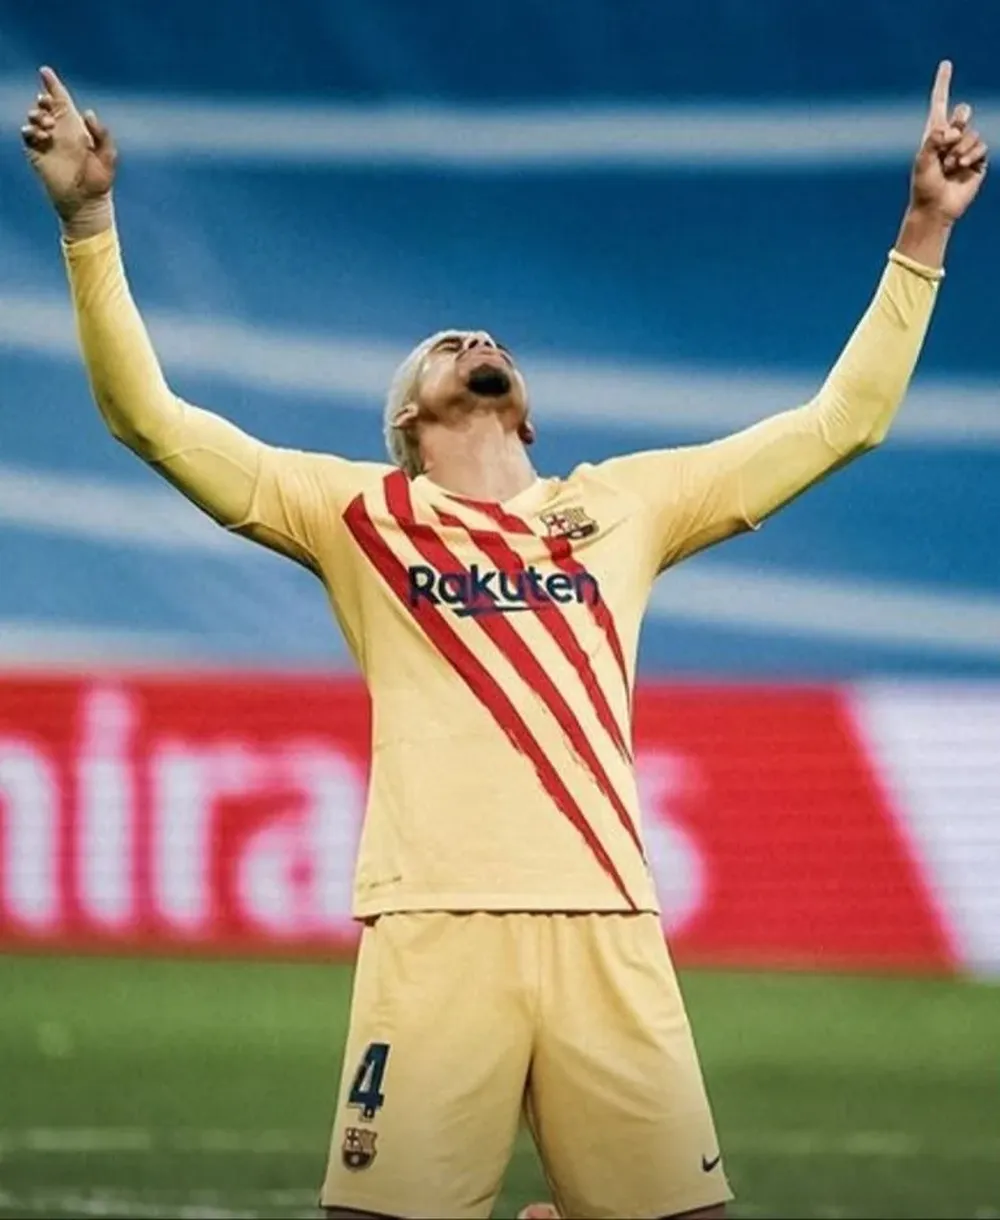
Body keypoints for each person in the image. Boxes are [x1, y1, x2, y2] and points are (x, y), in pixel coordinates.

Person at [21, 61, 986, 1220]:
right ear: (407, 424)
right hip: (433, 934)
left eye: (485, 340)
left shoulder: (628, 503)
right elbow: (150, 419)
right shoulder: (355, 515)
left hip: (606, 925)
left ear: (522, 408)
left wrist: (923, 231)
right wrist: (88, 222)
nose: (473, 336)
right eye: (442, 342)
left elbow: (843, 422)